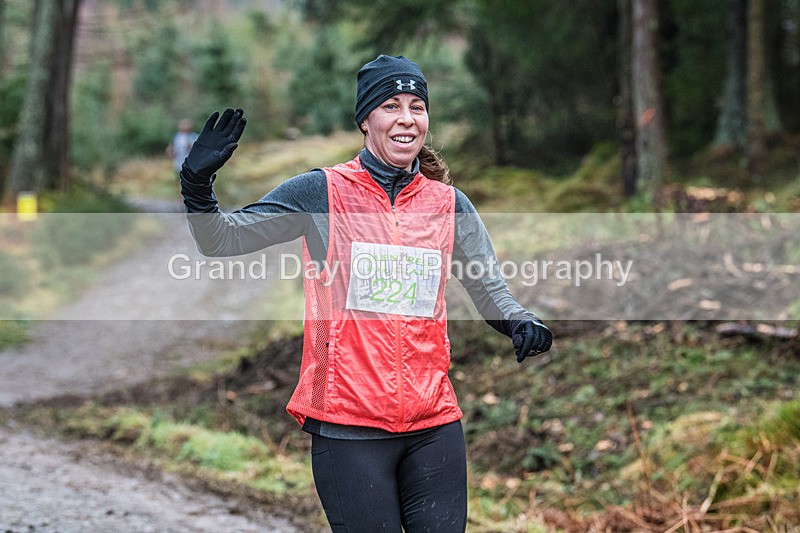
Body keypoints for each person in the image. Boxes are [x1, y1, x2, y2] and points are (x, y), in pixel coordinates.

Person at [180, 54, 552, 532]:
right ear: (365, 119)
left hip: (432, 423)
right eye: (391, 105)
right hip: (347, 425)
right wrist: (197, 184)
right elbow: (222, 240)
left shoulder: (448, 204)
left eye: (417, 106)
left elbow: (490, 289)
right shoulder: (321, 193)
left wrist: (520, 321)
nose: (406, 118)